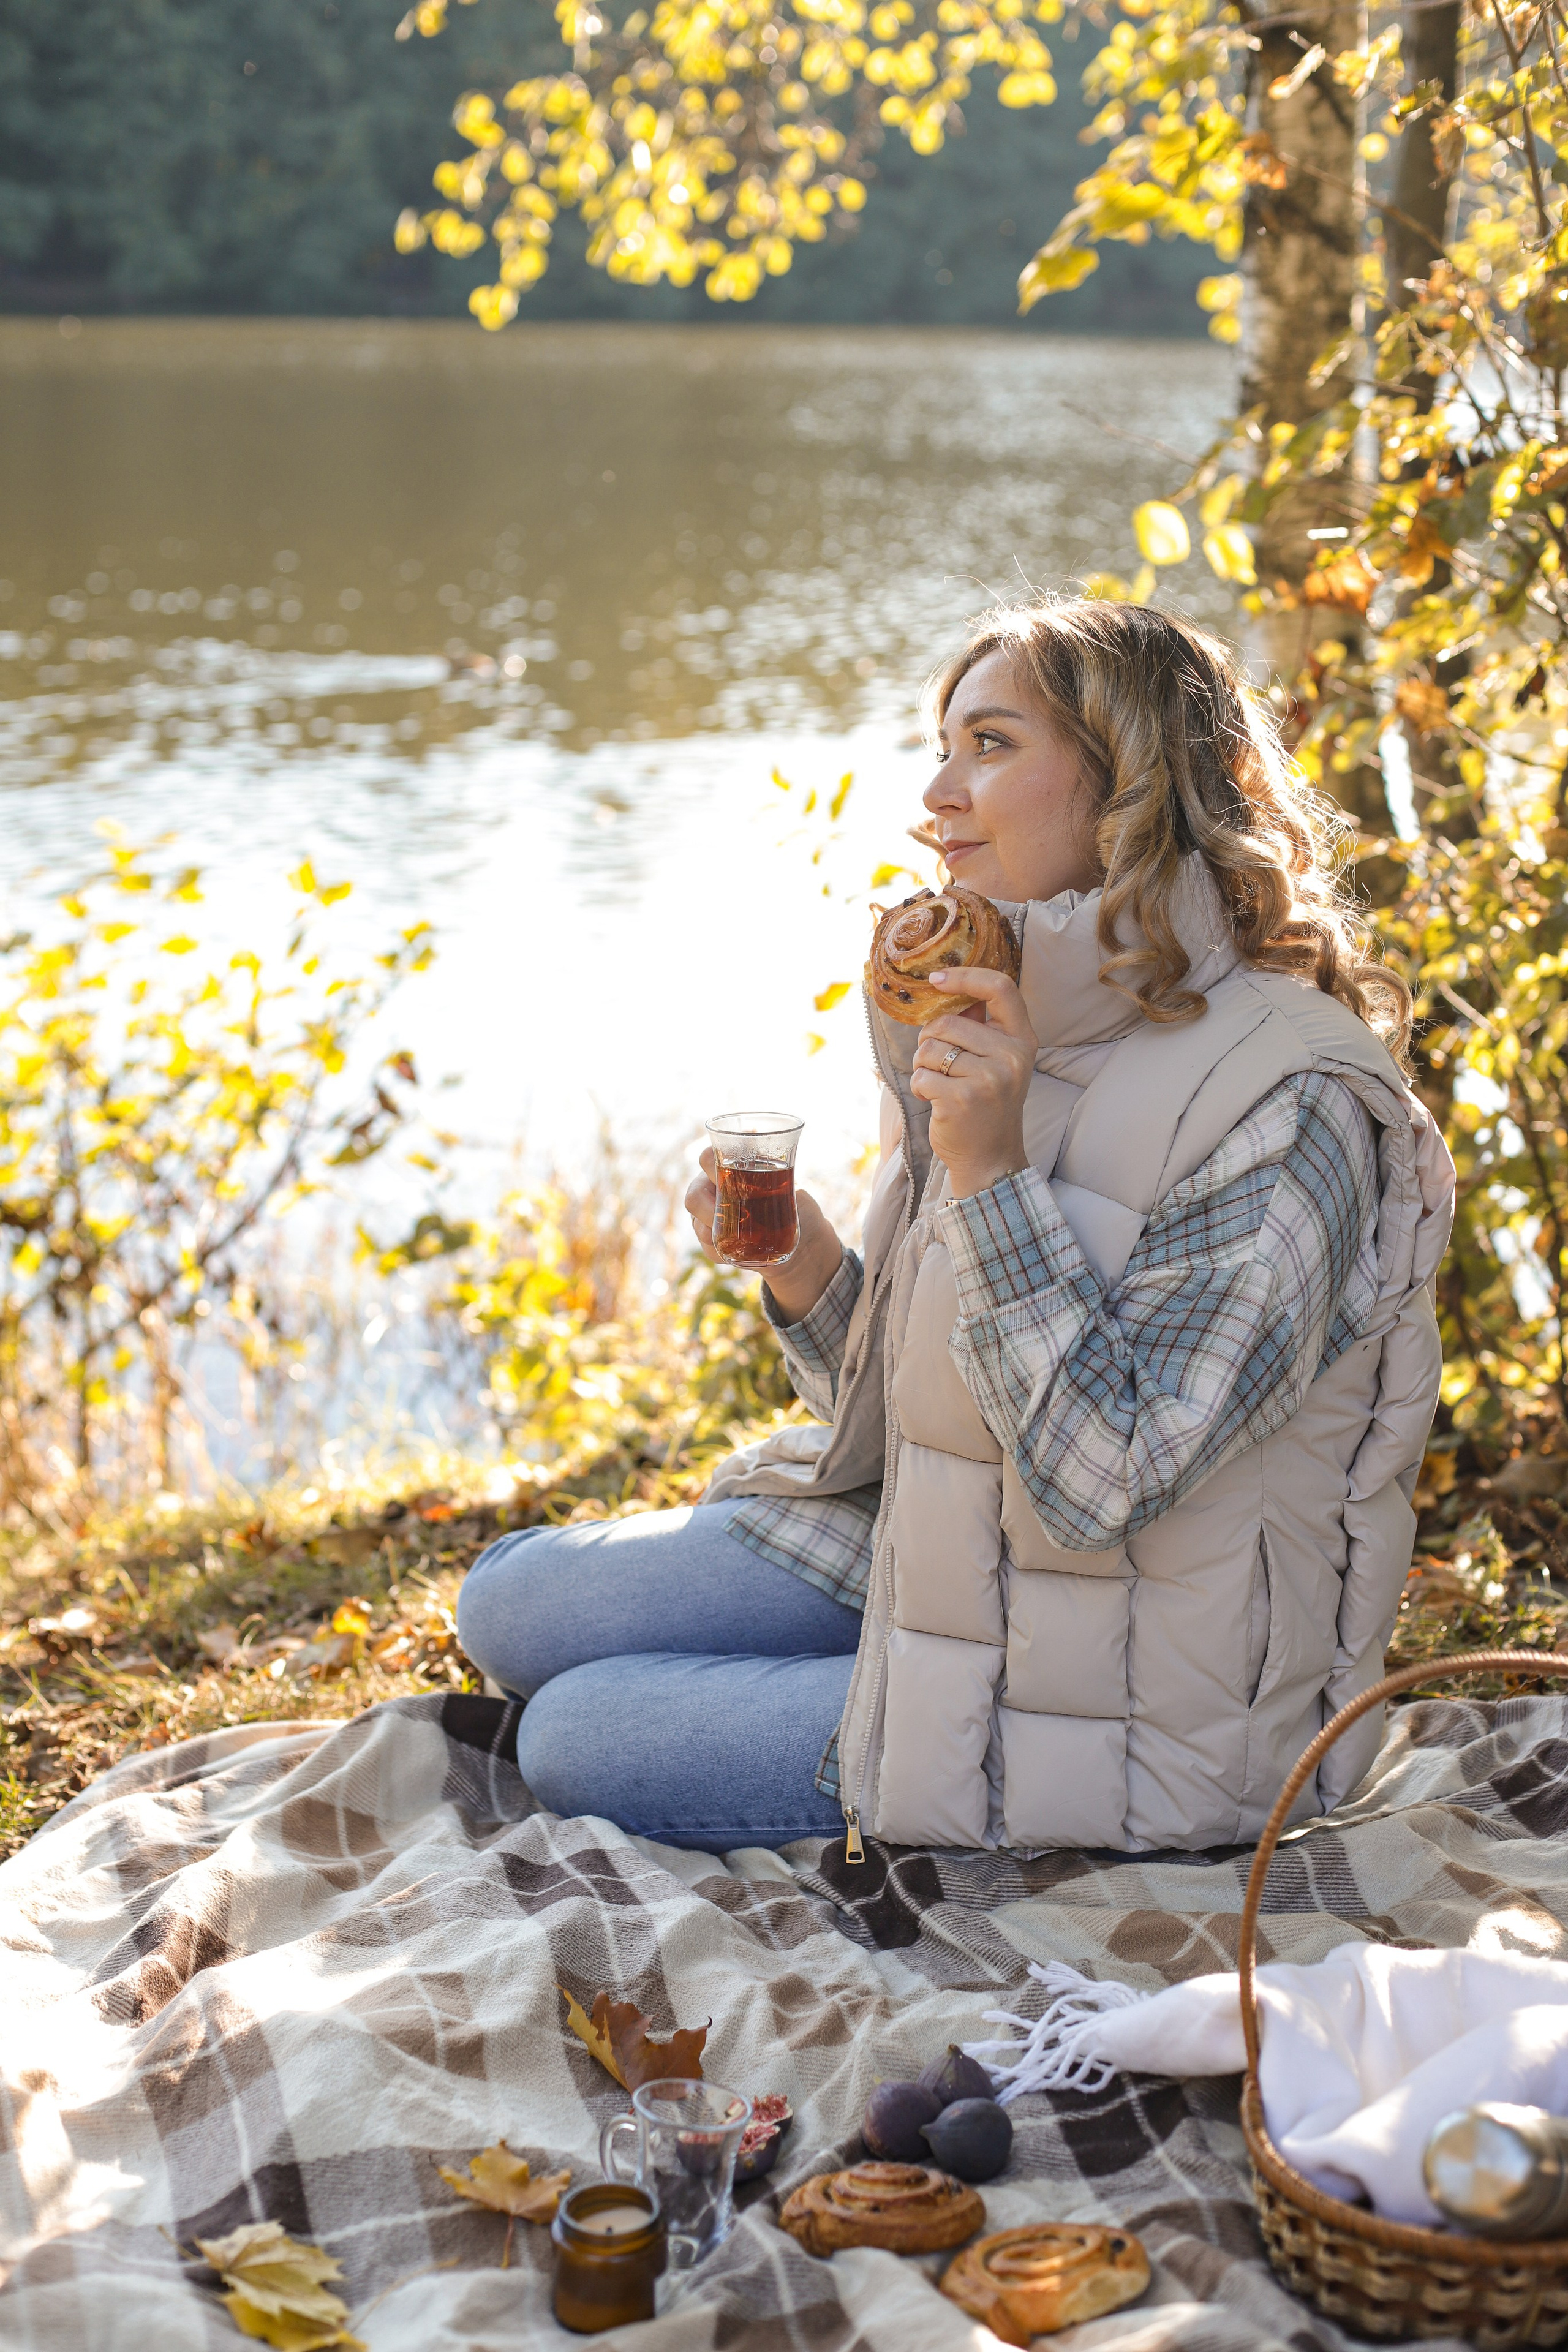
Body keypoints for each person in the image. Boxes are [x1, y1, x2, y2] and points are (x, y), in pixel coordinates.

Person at [457, 599, 1454, 1859]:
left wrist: (986, 1179)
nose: (934, 795)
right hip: (952, 1569)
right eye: (940, 746)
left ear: (1128, 781)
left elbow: (1106, 1477)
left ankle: (842, 1701)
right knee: (511, 1599)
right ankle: (840, 1665)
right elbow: (934, 1416)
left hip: (1143, 1718)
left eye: (987, 746)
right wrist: (804, 1266)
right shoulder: (1014, 1005)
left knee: (572, 1735)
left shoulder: (1292, 1102)